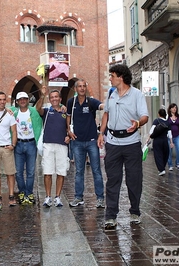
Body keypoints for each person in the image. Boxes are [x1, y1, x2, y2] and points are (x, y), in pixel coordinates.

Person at [97, 64, 149, 230]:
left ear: (121, 77)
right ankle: (111, 216)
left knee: (134, 179)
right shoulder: (111, 94)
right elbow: (106, 114)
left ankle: (135, 212)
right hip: (112, 142)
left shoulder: (137, 95)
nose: (110, 78)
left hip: (132, 143)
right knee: (113, 180)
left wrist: (138, 123)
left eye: (112, 75)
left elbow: (145, 116)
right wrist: (101, 133)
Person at [66, 79, 105, 208]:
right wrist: (69, 131)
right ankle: (78, 197)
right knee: (79, 171)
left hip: (92, 141)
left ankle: (100, 198)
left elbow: (101, 106)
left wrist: (109, 104)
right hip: (77, 142)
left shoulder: (91, 101)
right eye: (80, 86)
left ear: (86, 88)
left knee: (96, 171)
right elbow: (68, 117)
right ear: (76, 89)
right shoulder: (71, 102)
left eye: (84, 86)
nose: (82, 88)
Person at [36, 87, 70, 207]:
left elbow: (69, 128)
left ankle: (58, 197)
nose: (54, 99)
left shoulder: (65, 112)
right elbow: (37, 108)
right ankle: (48, 197)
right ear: (50, 100)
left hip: (62, 145)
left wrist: (68, 136)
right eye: (52, 97)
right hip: (48, 145)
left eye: (56, 97)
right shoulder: (46, 111)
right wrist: (42, 95)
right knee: (47, 172)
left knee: (61, 172)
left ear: (60, 99)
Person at [10, 91, 42, 204]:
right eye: (20, 99)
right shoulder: (13, 112)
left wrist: (62, 107)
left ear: (28, 100)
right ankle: (22, 191)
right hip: (18, 144)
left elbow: (43, 107)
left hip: (31, 144)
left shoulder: (33, 111)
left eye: (25, 99)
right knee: (18, 172)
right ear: (17, 102)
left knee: (31, 171)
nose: (23, 101)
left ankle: (29, 193)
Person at [148, 109, 173, 176]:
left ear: (159, 114)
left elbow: (151, 131)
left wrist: (148, 138)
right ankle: (162, 167)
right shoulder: (168, 123)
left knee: (158, 154)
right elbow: (170, 134)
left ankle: (161, 169)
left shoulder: (156, 121)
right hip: (165, 140)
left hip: (157, 140)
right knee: (165, 154)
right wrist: (171, 142)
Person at [167, 103, 179, 171]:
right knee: (169, 151)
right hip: (168, 136)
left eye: (175, 108)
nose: (174, 109)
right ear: (170, 109)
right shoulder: (167, 117)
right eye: (173, 107)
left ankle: (178, 163)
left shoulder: (178, 117)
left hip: (177, 135)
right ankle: (170, 165)